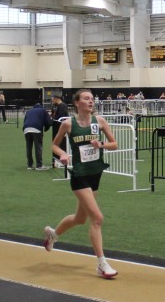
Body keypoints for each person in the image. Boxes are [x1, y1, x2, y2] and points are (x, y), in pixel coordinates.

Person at [43, 89, 119, 279]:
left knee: (80, 218)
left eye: (92, 99)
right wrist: (62, 154)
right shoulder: (68, 124)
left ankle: (53, 234)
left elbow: (114, 144)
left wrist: (101, 145)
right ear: (77, 103)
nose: (91, 101)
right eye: (86, 99)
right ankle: (101, 264)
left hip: (95, 173)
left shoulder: (99, 121)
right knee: (97, 218)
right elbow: (54, 145)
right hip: (79, 175)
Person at [23, 102, 53, 170]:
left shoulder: (29, 111)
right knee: (38, 147)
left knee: (29, 147)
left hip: (26, 129)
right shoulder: (43, 110)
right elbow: (49, 122)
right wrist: (46, 129)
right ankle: (39, 165)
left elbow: (25, 121)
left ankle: (29, 165)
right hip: (36, 129)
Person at [50, 94, 69, 167]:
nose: (52, 101)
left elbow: (60, 117)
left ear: (56, 99)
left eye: (53, 99)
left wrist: (53, 119)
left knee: (61, 144)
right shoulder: (56, 106)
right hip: (57, 127)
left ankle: (61, 160)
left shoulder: (63, 106)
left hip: (61, 128)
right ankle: (56, 159)